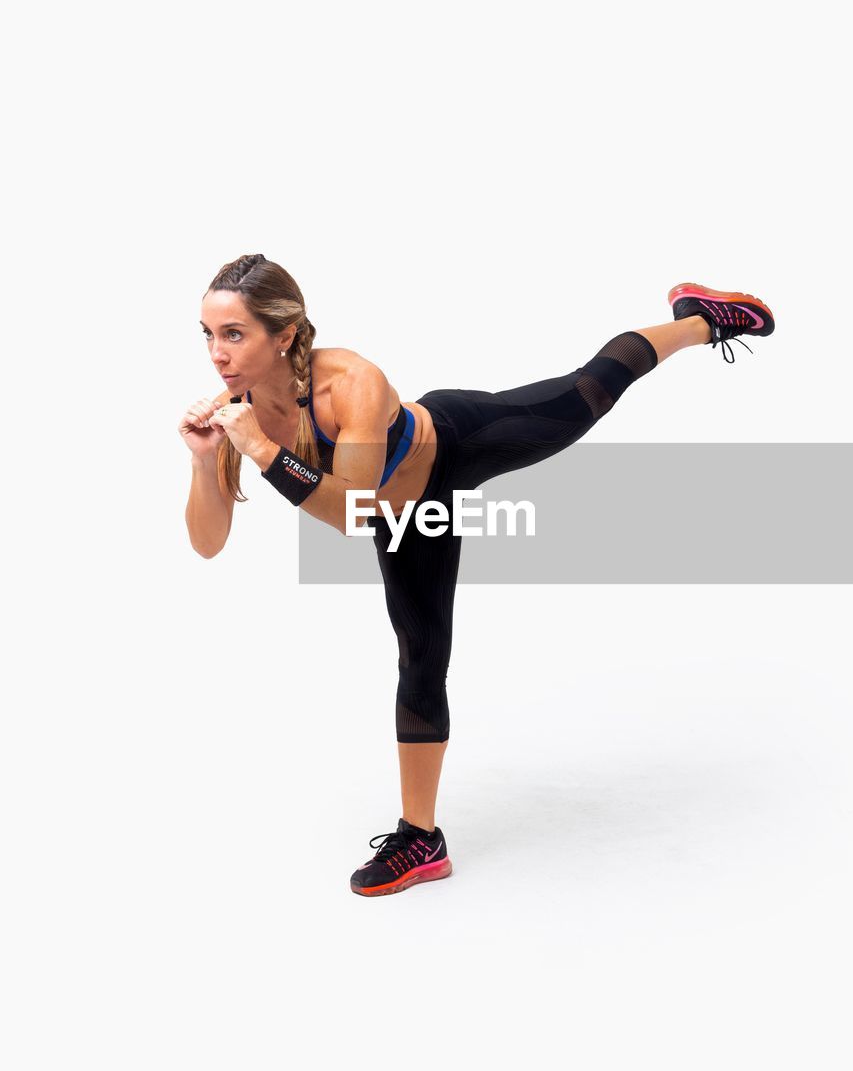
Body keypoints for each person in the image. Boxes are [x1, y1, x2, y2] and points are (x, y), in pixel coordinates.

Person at [179, 254, 775, 897]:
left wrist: (265, 453)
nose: (218, 353)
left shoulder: (351, 384)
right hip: (407, 516)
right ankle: (421, 839)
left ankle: (698, 321)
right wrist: (204, 460)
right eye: (208, 334)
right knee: (421, 657)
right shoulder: (233, 413)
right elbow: (209, 543)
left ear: (285, 334)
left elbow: (350, 511)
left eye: (233, 334)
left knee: (587, 391)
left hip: (458, 442)